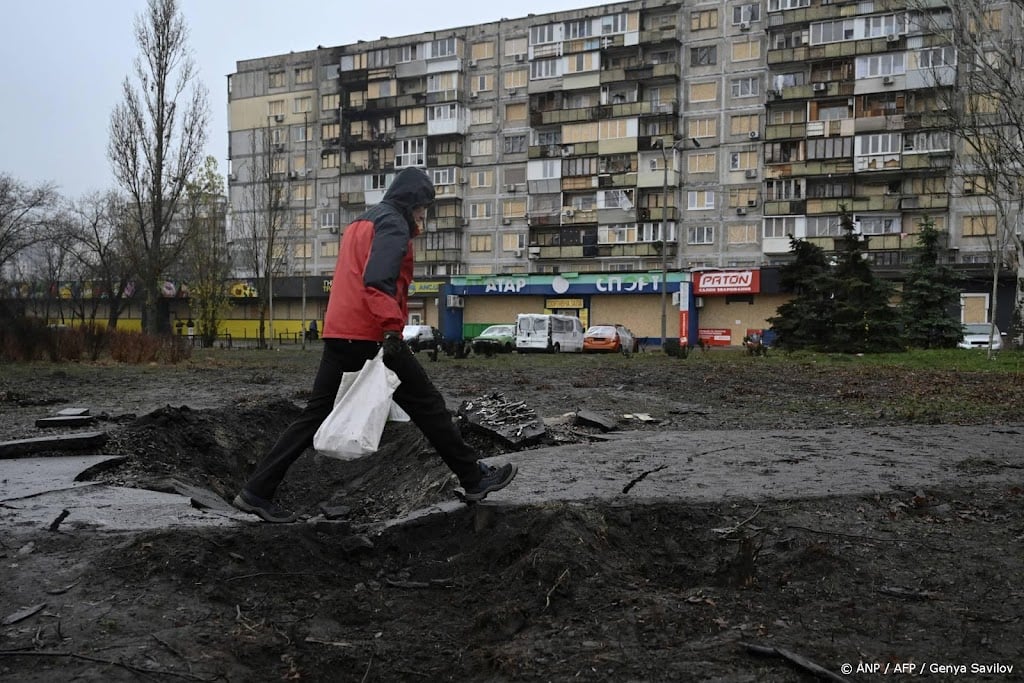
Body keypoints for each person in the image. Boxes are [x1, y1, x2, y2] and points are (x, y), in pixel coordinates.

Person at [233, 167, 517, 522]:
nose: (423, 215)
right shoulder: (394, 224)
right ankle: (474, 478)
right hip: (370, 334)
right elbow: (377, 280)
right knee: (428, 405)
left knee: (314, 414)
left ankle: (256, 491)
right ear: (411, 202)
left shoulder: (361, 222)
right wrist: (392, 330)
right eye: (423, 207)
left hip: (340, 331)